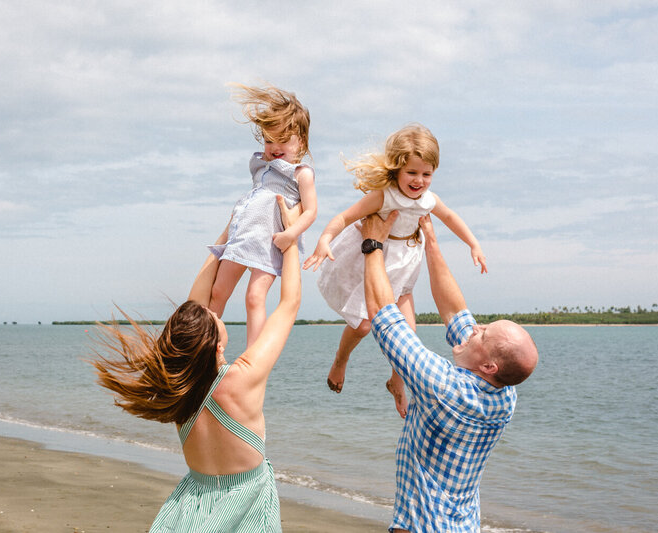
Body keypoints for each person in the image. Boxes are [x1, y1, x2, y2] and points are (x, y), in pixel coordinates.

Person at [91, 196, 302, 532]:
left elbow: (196, 306)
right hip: (247, 503)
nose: (214, 311)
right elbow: (289, 304)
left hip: (192, 504)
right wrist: (291, 238)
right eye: (213, 317)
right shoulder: (241, 380)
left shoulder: (176, 384)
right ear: (217, 344)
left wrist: (229, 233)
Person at [361, 212, 538, 532]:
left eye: (483, 333)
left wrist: (373, 244)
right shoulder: (505, 396)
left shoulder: (442, 386)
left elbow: (383, 316)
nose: (476, 328)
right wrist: (430, 238)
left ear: (488, 366)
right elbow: (455, 310)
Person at [303, 124, 486, 417]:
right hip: (375, 256)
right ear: (397, 169)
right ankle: (340, 360)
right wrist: (324, 239)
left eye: (427, 174)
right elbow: (344, 217)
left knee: (409, 336)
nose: (419, 181)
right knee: (363, 325)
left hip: (405, 261)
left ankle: (396, 382)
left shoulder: (429, 200)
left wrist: (473, 244)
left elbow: (451, 217)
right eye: (412, 173)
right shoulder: (383, 196)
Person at [208, 83, 317, 347]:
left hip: (270, 242)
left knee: (254, 297)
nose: (274, 146)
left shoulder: (302, 173)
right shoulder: (260, 167)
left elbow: (311, 211)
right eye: (269, 140)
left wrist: (290, 234)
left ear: (300, 141)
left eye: (283, 140)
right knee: (218, 291)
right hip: (245, 236)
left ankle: (252, 355)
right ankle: (205, 346)